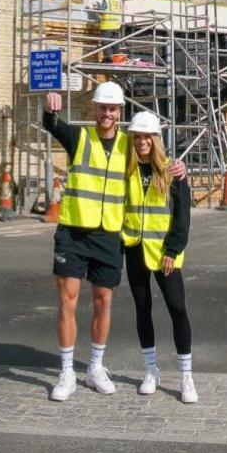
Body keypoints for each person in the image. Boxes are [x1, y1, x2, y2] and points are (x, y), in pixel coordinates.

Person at [43, 83, 184, 402]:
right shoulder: (80, 138)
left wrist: (180, 168)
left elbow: (155, 156)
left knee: (103, 301)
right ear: (94, 109)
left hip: (109, 234)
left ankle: (95, 367)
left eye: (113, 108)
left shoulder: (128, 146)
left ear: (119, 112)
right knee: (68, 299)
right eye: (103, 107)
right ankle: (67, 371)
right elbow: (53, 125)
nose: (107, 113)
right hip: (74, 232)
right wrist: (50, 109)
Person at [123, 110, 197, 404]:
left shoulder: (171, 171)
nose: (142, 142)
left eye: (146, 137)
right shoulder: (125, 169)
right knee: (143, 310)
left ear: (155, 140)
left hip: (165, 254)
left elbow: (182, 215)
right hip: (134, 249)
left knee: (178, 310)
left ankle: (186, 376)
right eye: (137, 137)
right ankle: (151, 370)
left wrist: (173, 249)